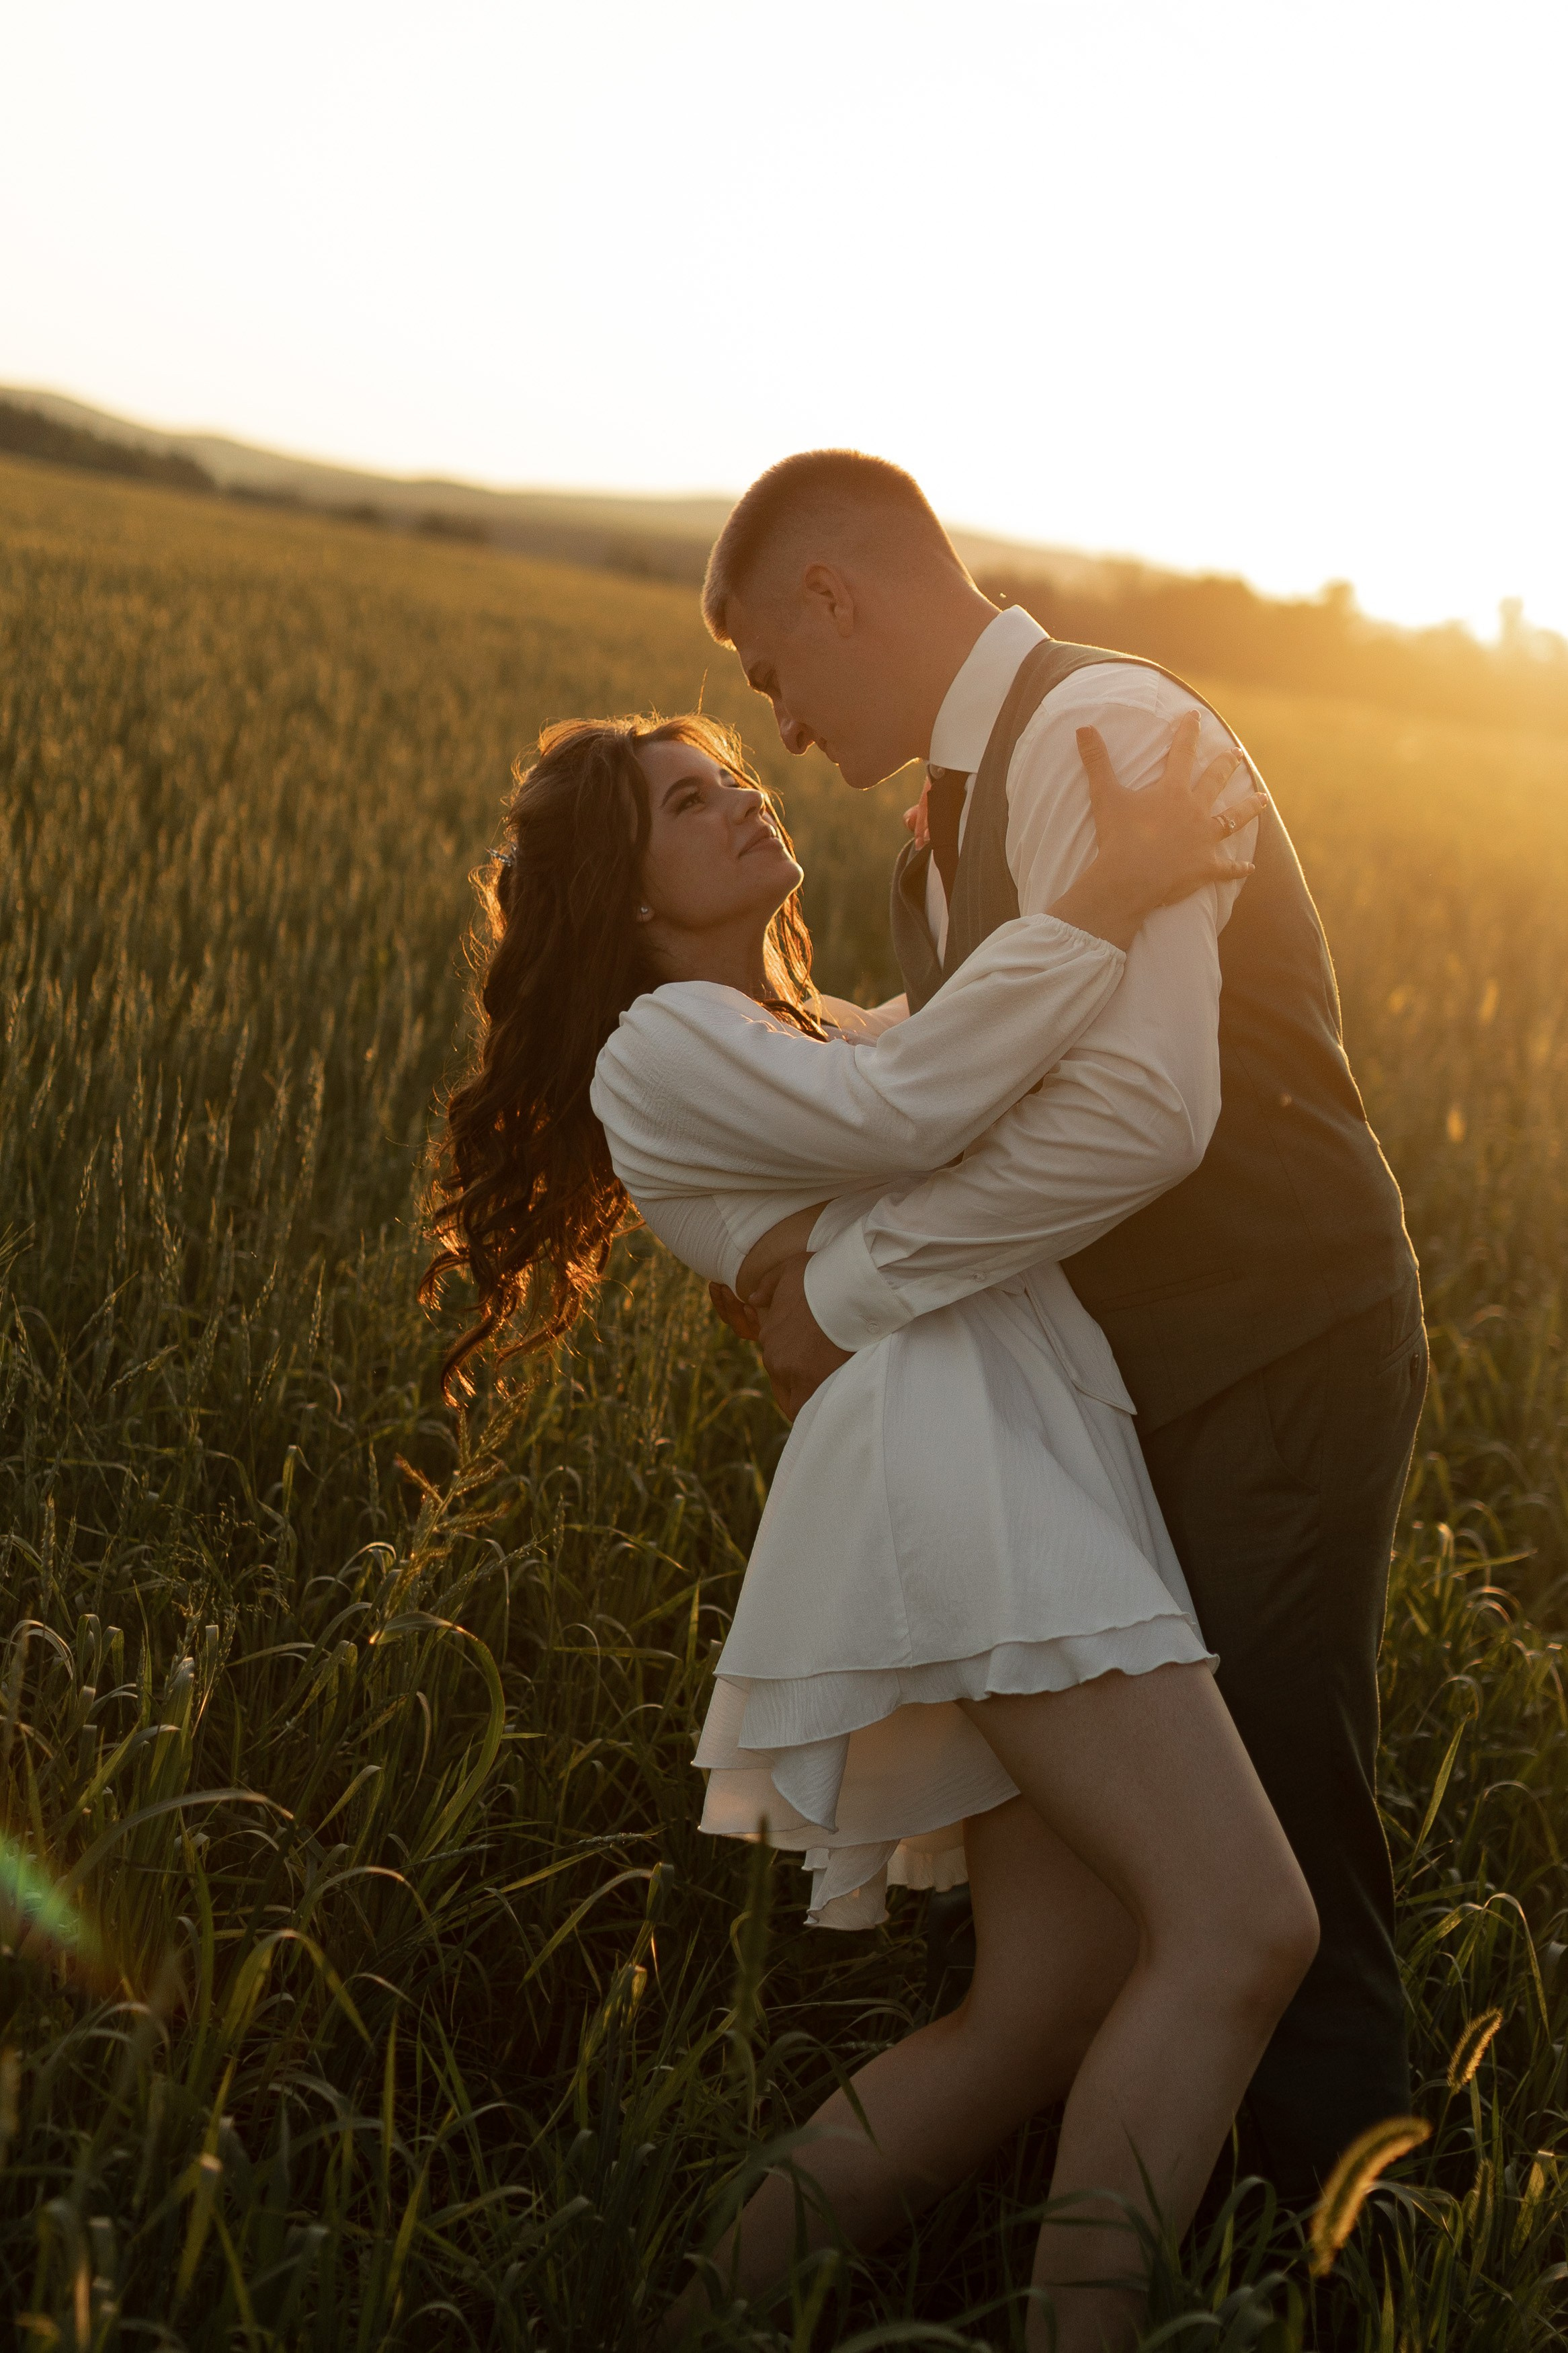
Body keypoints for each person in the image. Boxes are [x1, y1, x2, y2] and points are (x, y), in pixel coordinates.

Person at [425, 707, 1316, 2353]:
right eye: (691, 799)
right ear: (623, 892)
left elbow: (968, 1057)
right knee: (1245, 1926)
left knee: (1044, 1999)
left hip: (1018, 1440)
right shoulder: (663, 1043)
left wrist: (996, 902)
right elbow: (922, 1106)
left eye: (734, 774)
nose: (741, 796)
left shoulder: (808, 1020)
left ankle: (690, 2323)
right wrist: (1101, 896)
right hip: (950, 1462)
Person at [700, 448, 1428, 2213]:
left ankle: (1359, 2274)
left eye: (769, 676)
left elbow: (1142, 1115)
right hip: (1118, 1398)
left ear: (832, 596)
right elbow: (975, 1083)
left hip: (1269, 1357)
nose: (781, 730)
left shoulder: (1109, 733)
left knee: (1276, 1836)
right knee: (1176, 1872)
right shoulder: (951, 827)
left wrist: (853, 1291)